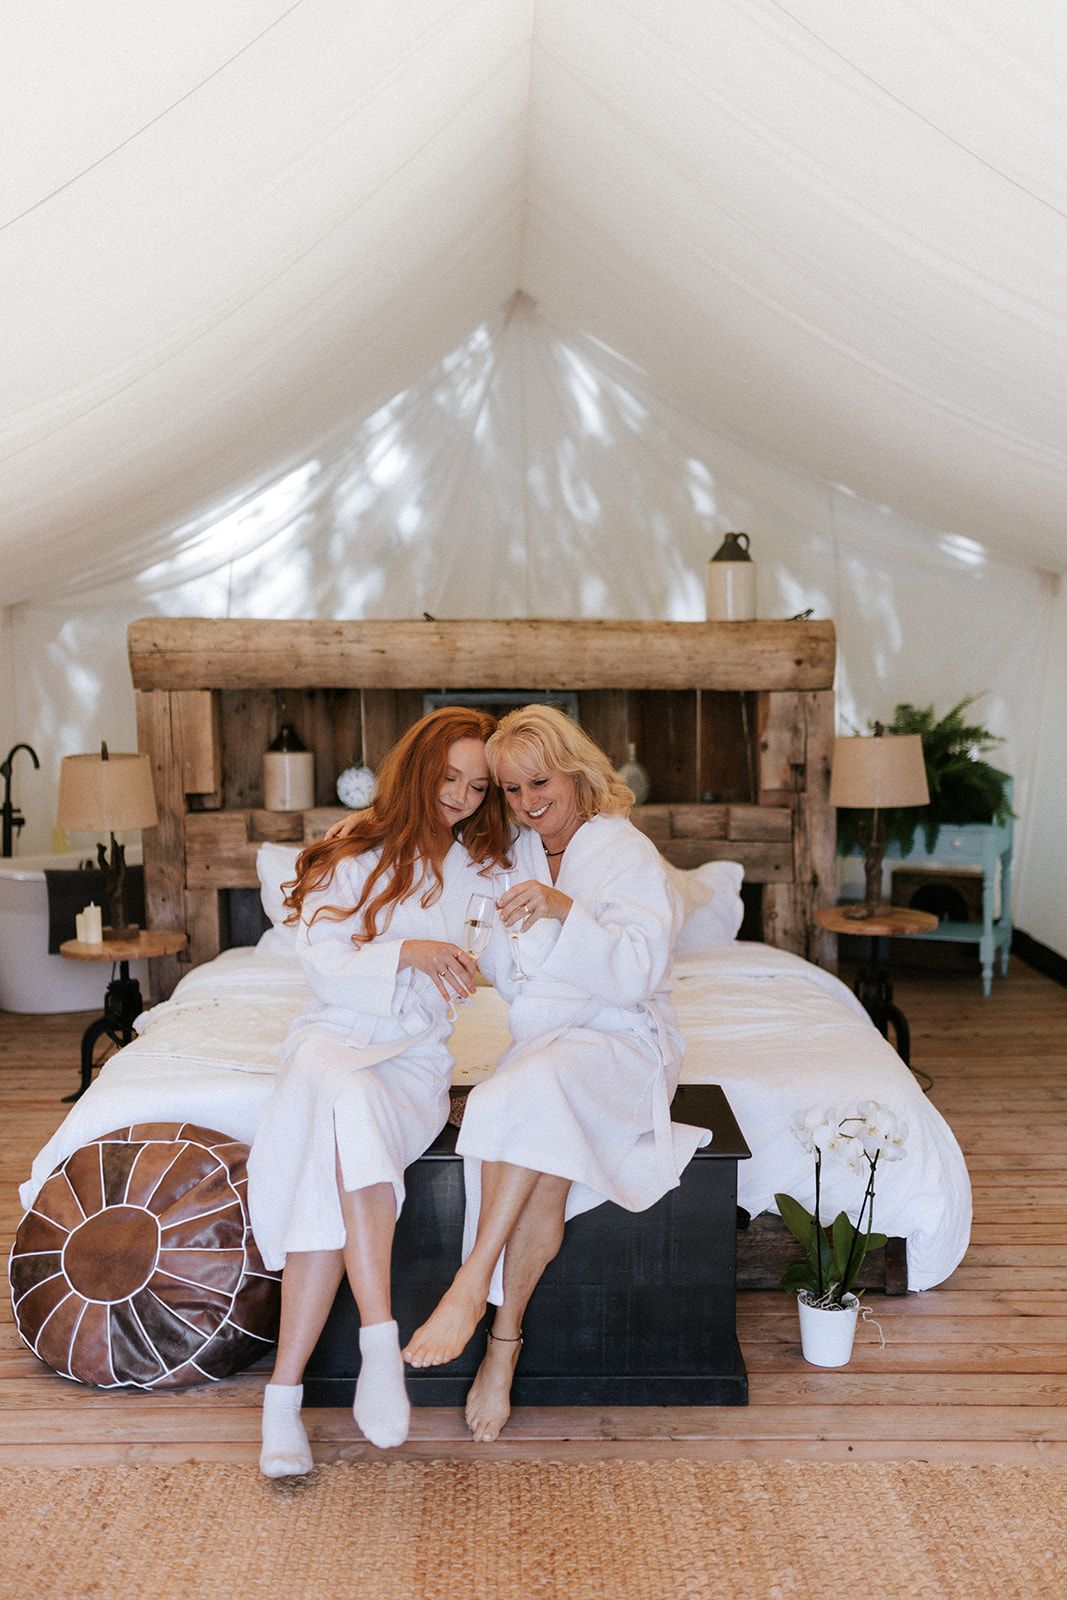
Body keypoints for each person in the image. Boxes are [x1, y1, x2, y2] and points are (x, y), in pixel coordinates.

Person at [401, 704, 709, 1443]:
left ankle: (469, 1284)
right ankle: (502, 1349)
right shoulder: (518, 856)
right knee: (523, 1122)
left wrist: (564, 910)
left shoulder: (623, 852)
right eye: (508, 790)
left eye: (538, 782)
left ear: (574, 772)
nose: (527, 801)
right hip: (552, 1041)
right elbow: (516, 981)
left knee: (524, 1095)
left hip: (623, 1041)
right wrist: (492, 944)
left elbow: (636, 972)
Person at [247, 706, 512, 1476]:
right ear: (416, 768)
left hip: (412, 1058)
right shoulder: (351, 846)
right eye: (448, 777)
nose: (460, 796)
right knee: (343, 1099)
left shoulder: (482, 865)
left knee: (346, 1122)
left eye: (476, 785)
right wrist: (408, 951)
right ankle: (378, 1342)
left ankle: (283, 1399)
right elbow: (324, 960)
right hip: (333, 1039)